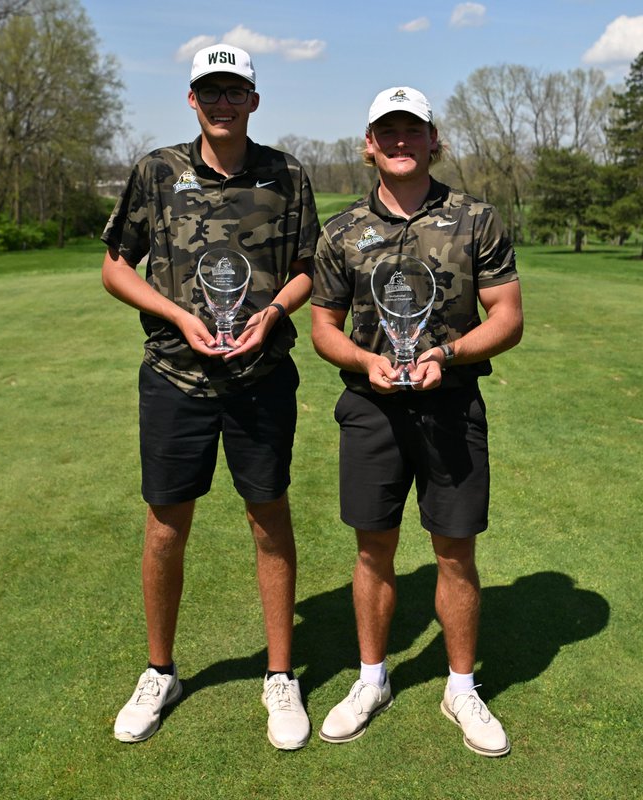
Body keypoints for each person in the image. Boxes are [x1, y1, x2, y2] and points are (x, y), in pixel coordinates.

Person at [100, 43, 319, 751]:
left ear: (253, 100)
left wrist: (275, 312)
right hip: (174, 375)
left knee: (268, 516)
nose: (223, 102)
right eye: (210, 91)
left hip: (260, 379)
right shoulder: (156, 171)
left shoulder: (286, 174)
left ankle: (280, 675)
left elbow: (308, 267)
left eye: (236, 91)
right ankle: (160, 671)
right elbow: (114, 267)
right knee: (167, 526)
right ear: (192, 99)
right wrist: (178, 315)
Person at [309, 86, 523, 757]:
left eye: (413, 131)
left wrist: (448, 353)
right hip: (371, 407)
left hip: (450, 404)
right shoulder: (341, 230)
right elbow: (323, 327)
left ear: (435, 140)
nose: (400, 142)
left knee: (454, 551)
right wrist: (364, 363)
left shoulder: (477, 219)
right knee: (373, 549)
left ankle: (461, 686)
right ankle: (372, 679)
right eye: (387, 132)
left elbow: (509, 318)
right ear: (369, 143)